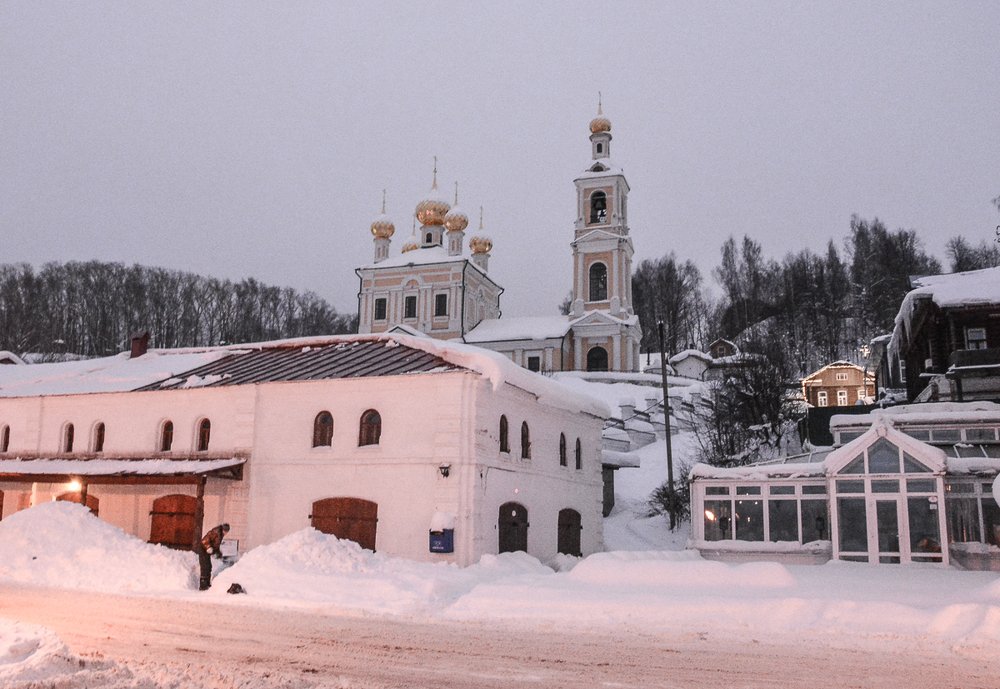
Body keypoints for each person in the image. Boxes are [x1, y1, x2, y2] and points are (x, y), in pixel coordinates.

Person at [197, 523, 230, 590]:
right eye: (225, 531)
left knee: (209, 566)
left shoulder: (220, 534)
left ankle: (207, 583)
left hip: (207, 550)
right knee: (205, 566)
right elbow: (205, 540)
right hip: (203, 549)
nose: (226, 533)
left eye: (227, 531)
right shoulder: (216, 531)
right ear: (223, 529)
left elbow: (216, 546)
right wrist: (208, 547)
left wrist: (219, 554)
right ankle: (203, 586)